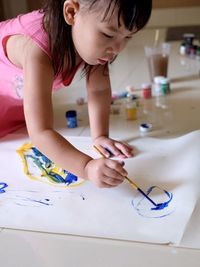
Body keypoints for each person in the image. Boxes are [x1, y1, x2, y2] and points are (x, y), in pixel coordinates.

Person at [0, 0, 152, 188]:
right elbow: (40, 133)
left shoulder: (96, 44)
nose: (117, 49)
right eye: (108, 34)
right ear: (71, 13)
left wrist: (100, 136)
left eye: (128, 37)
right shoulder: (35, 50)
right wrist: (87, 167)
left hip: (14, 102)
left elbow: (99, 89)